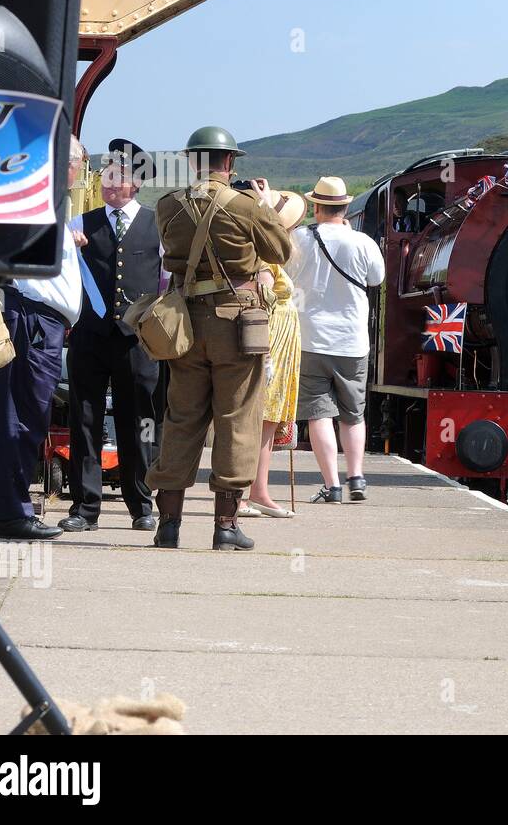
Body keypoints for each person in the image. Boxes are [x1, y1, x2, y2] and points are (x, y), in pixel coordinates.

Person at [145, 126, 291, 550]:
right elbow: (280, 251)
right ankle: (225, 526)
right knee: (237, 420)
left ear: (193, 161)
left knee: (181, 418)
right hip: (237, 323)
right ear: (229, 163)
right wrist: (266, 208)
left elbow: (169, 253)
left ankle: (168, 524)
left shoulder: (169, 205)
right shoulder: (246, 206)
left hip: (185, 323)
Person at [0, 139, 86, 540]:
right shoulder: (38, 197)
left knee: (4, 415)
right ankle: (11, 511)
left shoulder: (26, 195)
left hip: (24, 313)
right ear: (67, 165)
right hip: (31, 318)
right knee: (22, 416)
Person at [60, 139, 162, 533]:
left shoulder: (157, 225)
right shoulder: (80, 223)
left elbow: (169, 280)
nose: (108, 183)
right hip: (90, 337)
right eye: (105, 176)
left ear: (135, 183)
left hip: (137, 342)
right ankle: (85, 507)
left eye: (118, 177)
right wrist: (69, 248)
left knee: (139, 421)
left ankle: (142, 503)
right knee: (84, 420)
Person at [286, 177, 384, 503]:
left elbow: (283, 276)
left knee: (318, 414)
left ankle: (333, 486)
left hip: (310, 339)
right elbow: (377, 278)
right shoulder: (363, 243)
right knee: (353, 414)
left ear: (316, 206)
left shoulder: (299, 238)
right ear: (344, 207)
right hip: (352, 341)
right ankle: (356, 477)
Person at [238, 184, 305, 519]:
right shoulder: (265, 253)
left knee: (266, 418)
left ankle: (255, 490)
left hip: (277, 339)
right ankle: (249, 492)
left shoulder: (267, 253)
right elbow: (262, 293)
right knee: (261, 417)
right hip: (270, 339)